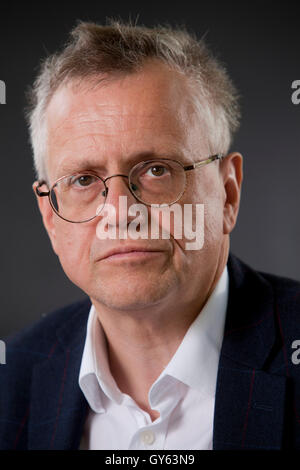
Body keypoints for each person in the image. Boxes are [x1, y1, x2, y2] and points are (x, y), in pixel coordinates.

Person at [1, 20, 300, 451]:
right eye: (84, 180)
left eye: (157, 170)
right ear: (50, 215)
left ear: (228, 194)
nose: (121, 212)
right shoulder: (9, 382)